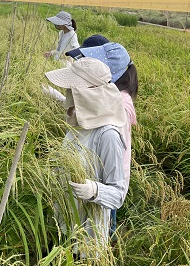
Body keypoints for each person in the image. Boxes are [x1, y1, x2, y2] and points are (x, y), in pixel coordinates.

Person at [44, 57, 128, 258]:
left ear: (87, 94)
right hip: (63, 222)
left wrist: (94, 190)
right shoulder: (78, 122)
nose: (68, 95)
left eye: (71, 90)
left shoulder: (107, 135)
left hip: (86, 236)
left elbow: (118, 194)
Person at [65, 40, 138, 240]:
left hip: (102, 189)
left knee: (100, 231)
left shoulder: (113, 119)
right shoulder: (86, 114)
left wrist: (94, 190)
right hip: (75, 208)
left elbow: (116, 189)